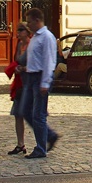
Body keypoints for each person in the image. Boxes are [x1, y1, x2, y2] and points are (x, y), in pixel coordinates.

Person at [21, 8, 62, 159]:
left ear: (37, 20)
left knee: (38, 114)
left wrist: (45, 82)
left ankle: (40, 148)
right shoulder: (35, 37)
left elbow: (49, 61)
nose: (28, 25)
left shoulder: (47, 37)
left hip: (40, 78)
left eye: (29, 22)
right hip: (31, 77)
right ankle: (50, 135)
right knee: (25, 111)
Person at [5, 22, 31, 154]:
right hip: (20, 83)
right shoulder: (19, 45)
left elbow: (36, 64)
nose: (18, 33)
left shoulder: (32, 45)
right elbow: (16, 60)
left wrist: (25, 68)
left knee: (32, 115)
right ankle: (20, 144)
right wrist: (15, 68)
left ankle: (43, 142)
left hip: (30, 83)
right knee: (17, 113)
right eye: (18, 30)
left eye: (21, 30)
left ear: (27, 31)